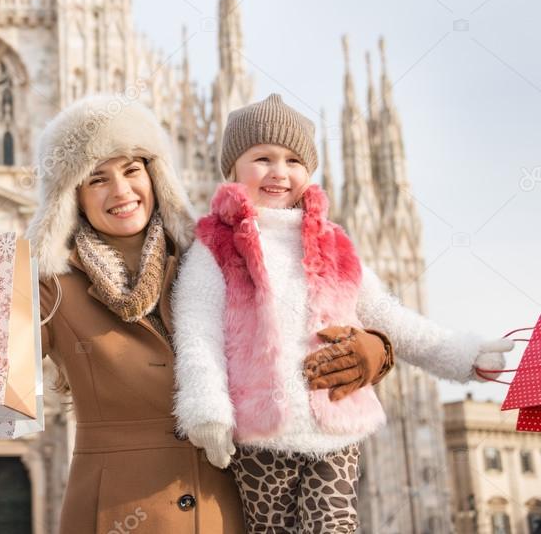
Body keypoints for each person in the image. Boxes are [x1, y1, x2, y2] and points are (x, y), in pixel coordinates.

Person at [0, 94, 394, 533]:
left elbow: (309, 307)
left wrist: (378, 349)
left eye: (132, 170)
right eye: (96, 179)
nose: (121, 191)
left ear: (154, 176)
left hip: (229, 510)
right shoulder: (56, 288)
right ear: (73, 198)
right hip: (115, 511)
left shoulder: (215, 262)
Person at [172, 93, 514, 532]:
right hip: (261, 438)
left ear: (309, 173)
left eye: (294, 160)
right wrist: (207, 409)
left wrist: (462, 355)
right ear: (232, 168)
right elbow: (198, 332)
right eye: (262, 157)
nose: (279, 172)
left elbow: (388, 317)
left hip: (337, 429)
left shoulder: (331, 244)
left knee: (334, 524)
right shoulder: (216, 246)